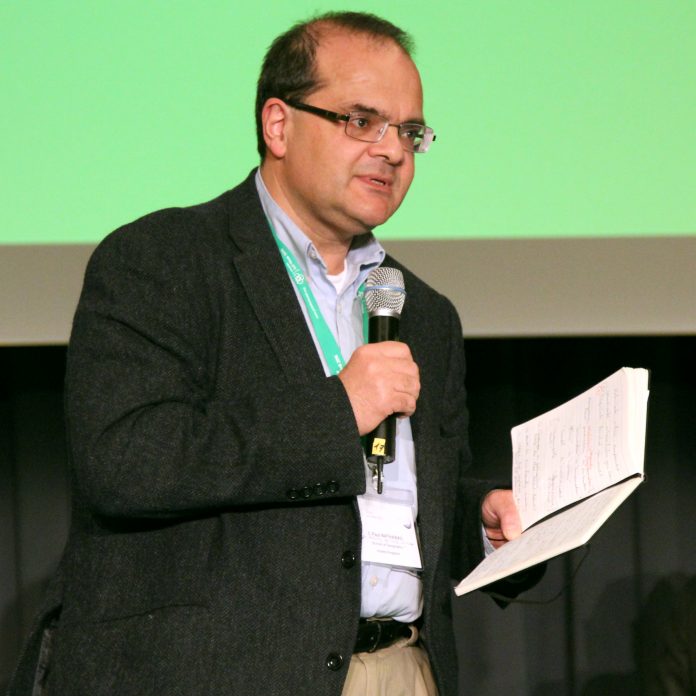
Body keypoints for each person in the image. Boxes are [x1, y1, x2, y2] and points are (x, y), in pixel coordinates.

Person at [8, 11, 540, 696]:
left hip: (403, 668)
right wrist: (337, 410)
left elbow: (415, 502)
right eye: (362, 121)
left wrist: (485, 527)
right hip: (215, 674)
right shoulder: (162, 260)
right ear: (279, 125)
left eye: (409, 132)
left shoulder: (424, 313)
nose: (392, 151)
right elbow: (127, 461)